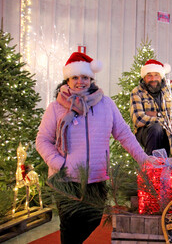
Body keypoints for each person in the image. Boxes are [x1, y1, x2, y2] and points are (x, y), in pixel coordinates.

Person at [36, 52, 149, 244]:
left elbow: (124, 134)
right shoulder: (56, 107)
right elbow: (42, 140)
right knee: (69, 229)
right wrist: (59, 163)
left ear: (91, 79)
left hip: (96, 177)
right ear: (68, 80)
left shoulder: (106, 104)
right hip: (66, 179)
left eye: (85, 77)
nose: (80, 82)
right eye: (75, 77)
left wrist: (144, 159)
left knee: (95, 218)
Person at [130, 59, 172, 156]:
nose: (153, 79)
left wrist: (157, 114)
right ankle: (151, 166)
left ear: (161, 76)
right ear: (144, 78)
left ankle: (164, 165)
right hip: (146, 131)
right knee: (156, 128)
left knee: (166, 132)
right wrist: (166, 120)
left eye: (156, 75)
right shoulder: (137, 92)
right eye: (149, 75)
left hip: (169, 132)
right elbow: (139, 119)